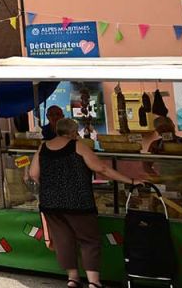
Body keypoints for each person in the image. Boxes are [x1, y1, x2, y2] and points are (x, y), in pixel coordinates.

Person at [28, 117, 144, 288]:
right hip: (78, 202)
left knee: (63, 240)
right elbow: (101, 168)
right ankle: (94, 282)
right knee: (89, 240)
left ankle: (73, 279)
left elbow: (33, 174)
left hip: (50, 203)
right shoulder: (77, 146)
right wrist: (130, 181)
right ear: (73, 132)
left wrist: (50, 187)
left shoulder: (43, 147)